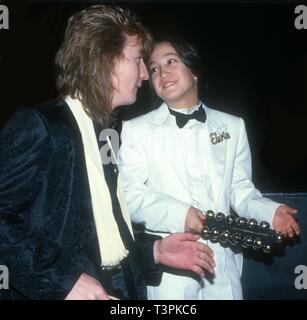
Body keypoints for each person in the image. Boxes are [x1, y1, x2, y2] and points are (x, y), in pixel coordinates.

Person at [0, 6, 216, 300]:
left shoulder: (109, 133)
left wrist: (155, 250)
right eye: (138, 59)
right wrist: (64, 281)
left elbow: (108, 226)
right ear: (106, 59)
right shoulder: (41, 126)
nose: (144, 74)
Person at [118, 37, 300, 299]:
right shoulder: (137, 130)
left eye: (171, 61)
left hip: (223, 269)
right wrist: (183, 215)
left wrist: (271, 214)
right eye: (154, 68)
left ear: (194, 70)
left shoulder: (233, 126)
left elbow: (240, 191)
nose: (162, 72)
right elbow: (130, 195)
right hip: (172, 272)